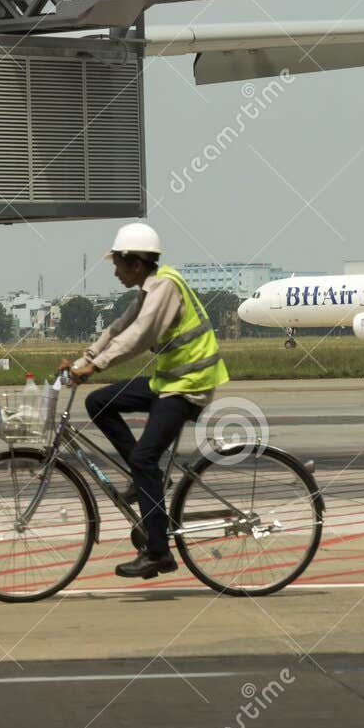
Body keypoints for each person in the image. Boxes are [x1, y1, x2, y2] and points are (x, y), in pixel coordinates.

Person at [60, 222, 229, 579]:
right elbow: (118, 328)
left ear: (135, 263)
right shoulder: (149, 288)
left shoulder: (165, 286)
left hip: (189, 385)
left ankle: (158, 552)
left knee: (143, 457)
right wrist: (81, 363)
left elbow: (140, 336)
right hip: (167, 381)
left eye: (117, 264)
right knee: (99, 404)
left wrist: (96, 366)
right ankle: (147, 478)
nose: (115, 271)